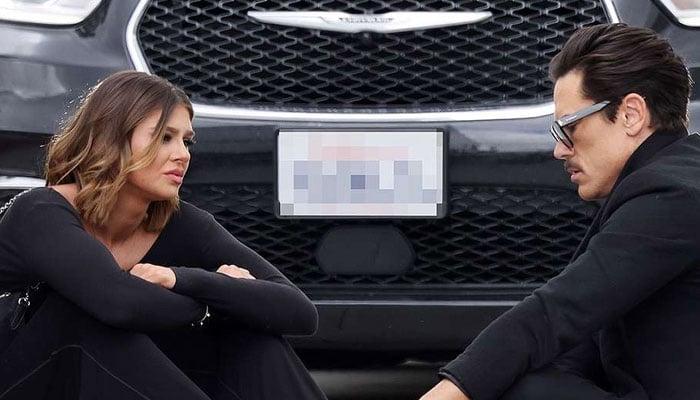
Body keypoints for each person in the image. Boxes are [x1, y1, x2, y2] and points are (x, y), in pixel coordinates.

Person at [0, 71, 327, 400]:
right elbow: (119, 304)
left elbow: (299, 312)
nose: (183, 154)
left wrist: (182, 279)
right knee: (84, 317)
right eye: (164, 137)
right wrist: (217, 300)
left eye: (186, 141)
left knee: (250, 339)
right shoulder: (40, 212)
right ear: (112, 139)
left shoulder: (182, 224)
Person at [420, 23, 697, 400]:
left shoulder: (673, 196)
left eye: (569, 127)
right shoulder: (670, 180)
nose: (559, 150)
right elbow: (580, 339)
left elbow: (556, 312)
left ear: (630, 114)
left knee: (521, 387)